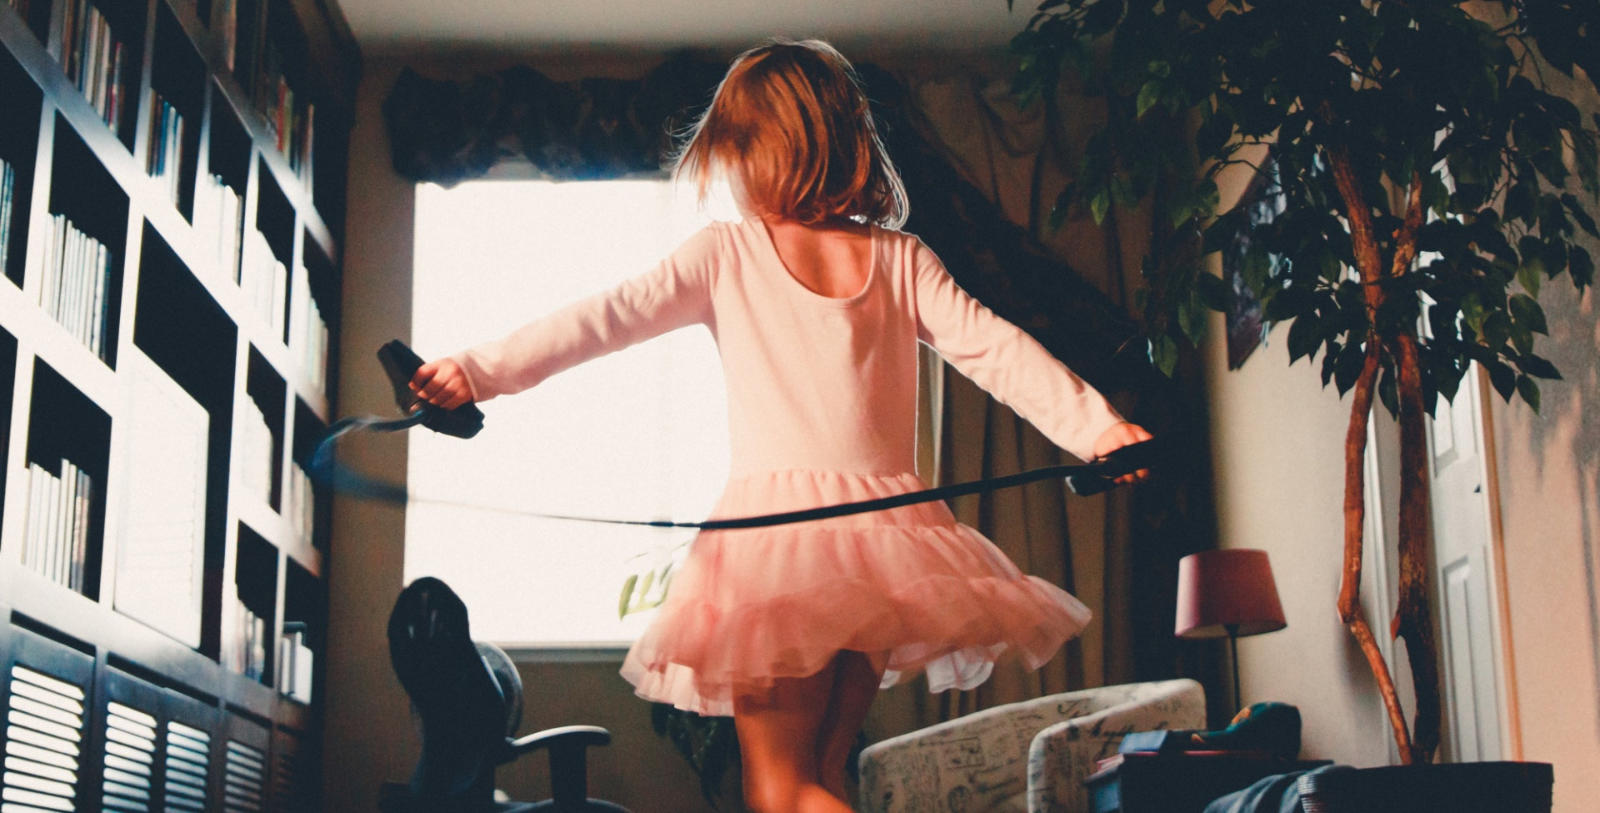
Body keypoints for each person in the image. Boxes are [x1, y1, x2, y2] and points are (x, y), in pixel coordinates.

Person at [409, 38, 1151, 813]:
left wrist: (476, 370)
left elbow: (603, 320)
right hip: (886, 544)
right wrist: (1100, 430)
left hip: (779, 546)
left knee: (781, 788)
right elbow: (998, 349)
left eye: (734, 152)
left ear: (761, 152)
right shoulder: (901, 259)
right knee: (820, 777)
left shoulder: (726, 255)